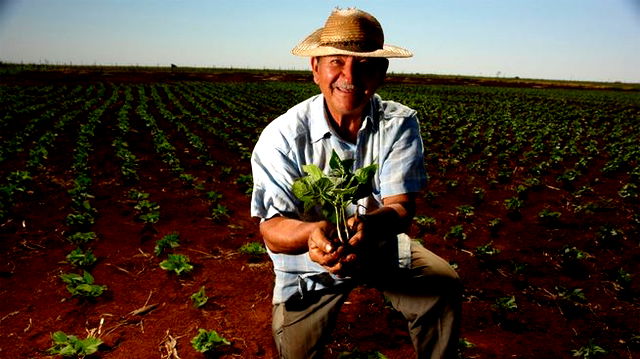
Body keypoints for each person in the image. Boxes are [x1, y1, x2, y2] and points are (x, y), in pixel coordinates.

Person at [250, 7, 461, 359]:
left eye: (365, 64)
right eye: (336, 62)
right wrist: (312, 234)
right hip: (309, 264)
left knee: (443, 285)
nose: (350, 76)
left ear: (382, 71)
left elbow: (401, 207)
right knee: (296, 350)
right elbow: (271, 228)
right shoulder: (282, 137)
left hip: (377, 246)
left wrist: (370, 226)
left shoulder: (399, 123)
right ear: (315, 68)